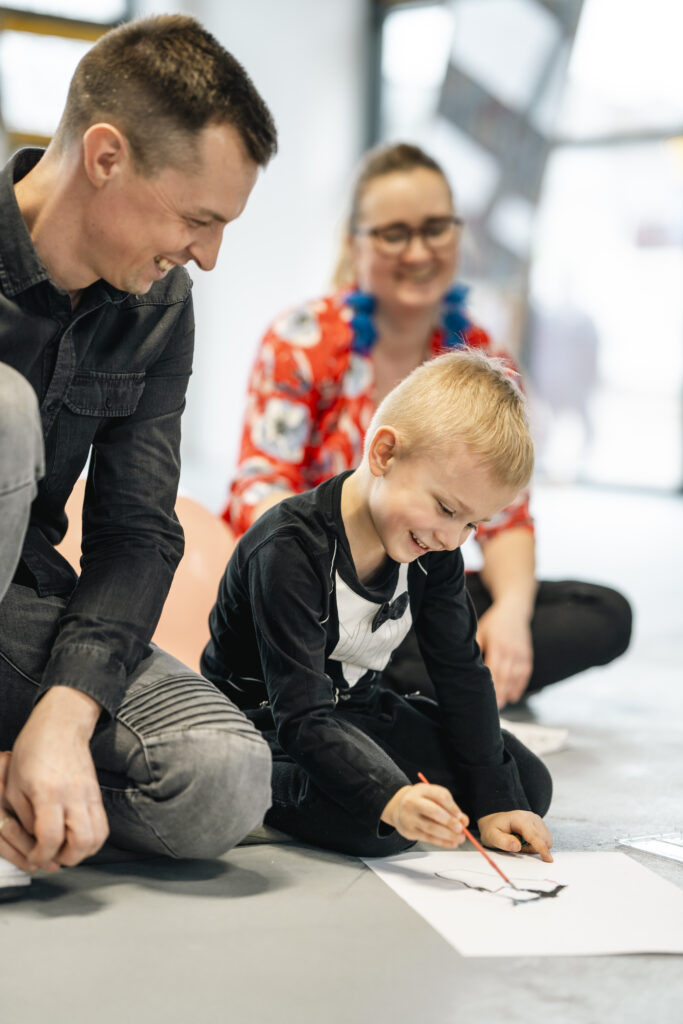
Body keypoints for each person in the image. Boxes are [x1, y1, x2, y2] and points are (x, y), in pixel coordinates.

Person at [0, 14, 278, 895]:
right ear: (106, 156)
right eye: (198, 218)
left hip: (22, 612)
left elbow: (135, 532)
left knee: (224, 782)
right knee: (6, 409)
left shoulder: (159, 308)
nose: (207, 254)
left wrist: (66, 711)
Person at [223, 142, 632, 710]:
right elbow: (258, 488)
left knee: (604, 614)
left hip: (422, 581)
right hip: (316, 586)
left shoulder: (482, 353)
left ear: (458, 234)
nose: (418, 250)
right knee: (398, 639)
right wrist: (335, 577)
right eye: (394, 233)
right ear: (354, 243)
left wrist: (511, 614)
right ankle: (416, 682)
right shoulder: (303, 340)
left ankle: (404, 681)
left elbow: (507, 515)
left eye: (436, 228)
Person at [202, 351, 554, 859]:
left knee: (525, 785)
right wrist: (389, 798)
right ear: (385, 454)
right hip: (266, 726)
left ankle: (394, 794)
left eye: (472, 525)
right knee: (376, 823)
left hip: (358, 711)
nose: (454, 539)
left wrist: (497, 799)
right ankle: (266, 798)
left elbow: (460, 671)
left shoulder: (435, 545)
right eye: (447, 509)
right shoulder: (289, 548)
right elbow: (300, 715)